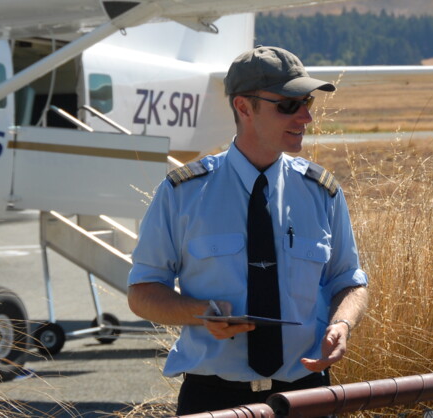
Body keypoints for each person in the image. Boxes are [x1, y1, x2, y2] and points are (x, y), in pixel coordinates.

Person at [127, 46, 369, 414]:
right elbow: (142, 292)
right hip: (213, 399)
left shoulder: (321, 192)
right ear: (244, 107)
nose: (304, 116)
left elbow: (349, 281)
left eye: (307, 102)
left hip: (306, 394)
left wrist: (342, 324)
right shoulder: (183, 194)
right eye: (288, 105)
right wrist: (199, 313)